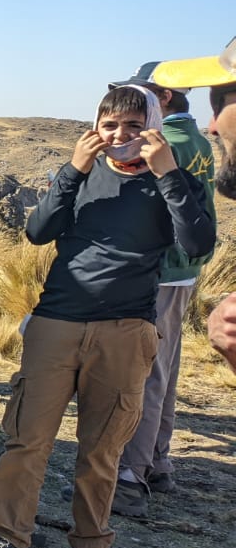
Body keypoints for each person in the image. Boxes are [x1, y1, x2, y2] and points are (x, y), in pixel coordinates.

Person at [0, 83, 214, 548]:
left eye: (133, 126)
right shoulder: (80, 174)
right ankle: (8, 536)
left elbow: (197, 243)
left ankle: (90, 544)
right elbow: (38, 231)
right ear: (95, 127)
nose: (120, 135)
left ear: (153, 127)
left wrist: (167, 173)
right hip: (57, 322)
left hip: (126, 330)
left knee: (102, 448)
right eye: (109, 125)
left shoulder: (172, 179)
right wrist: (74, 168)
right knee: (27, 439)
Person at [96, 38, 236, 548]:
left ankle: (135, 467)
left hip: (156, 281)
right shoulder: (190, 144)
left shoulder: (173, 154)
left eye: (227, 100)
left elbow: (193, 230)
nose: (215, 122)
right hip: (178, 281)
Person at [108, 62, 217, 518]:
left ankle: (131, 473)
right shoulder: (196, 140)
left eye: (143, 95)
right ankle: (158, 460)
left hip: (161, 268)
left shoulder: (163, 144)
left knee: (145, 373)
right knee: (165, 368)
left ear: (165, 97)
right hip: (183, 270)